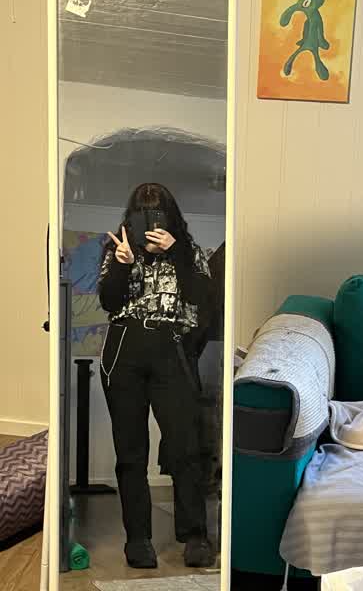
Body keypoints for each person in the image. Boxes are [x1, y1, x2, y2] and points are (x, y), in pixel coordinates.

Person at [97, 182, 214, 569]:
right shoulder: (118, 249)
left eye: (157, 212)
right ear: (131, 217)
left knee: (185, 446)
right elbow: (109, 302)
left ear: (171, 217)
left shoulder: (188, 251)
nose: (150, 221)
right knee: (130, 451)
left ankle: (194, 535)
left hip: (171, 348)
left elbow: (201, 298)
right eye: (142, 213)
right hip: (124, 348)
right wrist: (123, 263)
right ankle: (138, 539)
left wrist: (175, 251)